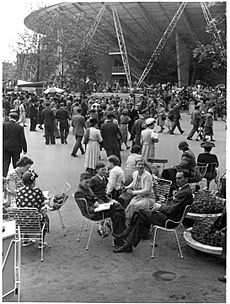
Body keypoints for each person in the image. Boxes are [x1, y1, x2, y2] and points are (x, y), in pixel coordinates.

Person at [113, 170, 193, 253]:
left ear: (186, 179)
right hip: (168, 216)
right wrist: (160, 206)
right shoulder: (185, 190)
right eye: (176, 178)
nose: (177, 180)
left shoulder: (184, 193)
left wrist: (159, 206)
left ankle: (126, 234)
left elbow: (171, 210)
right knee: (141, 217)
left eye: (180, 178)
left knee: (140, 212)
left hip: (169, 220)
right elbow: (172, 207)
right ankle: (128, 243)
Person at [74, 172, 126, 246]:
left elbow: (93, 197)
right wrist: (95, 205)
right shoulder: (79, 192)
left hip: (98, 208)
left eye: (89, 182)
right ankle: (121, 235)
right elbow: (85, 209)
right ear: (81, 180)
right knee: (118, 210)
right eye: (86, 182)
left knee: (118, 212)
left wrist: (98, 202)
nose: (89, 184)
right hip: (93, 213)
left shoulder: (85, 188)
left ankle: (120, 235)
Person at [16, 170, 49, 248]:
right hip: (35, 220)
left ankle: (26, 240)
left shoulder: (19, 191)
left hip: (22, 221)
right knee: (45, 217)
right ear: (33, 181)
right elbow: (41, 203)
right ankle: (41, 242)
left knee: (25, 213)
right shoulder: (36, 191)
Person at [124, 157, 156, 226]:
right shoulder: (135, 173)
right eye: (139, 164)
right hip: (139, 197)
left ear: (144, 165)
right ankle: (129, 222)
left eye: (142, 164)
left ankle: (136, 224)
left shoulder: (147, 175)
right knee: (131, 205)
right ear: (136, 165)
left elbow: (147, 190)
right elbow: (134, 183)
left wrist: (133, 192)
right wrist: (127, 187)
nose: (140, 166)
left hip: (148, 198)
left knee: (136, 206)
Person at [3, 112, 27, 177]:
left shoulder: (4, 125)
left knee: (5, 163)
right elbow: (22, 139)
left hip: (5, 147)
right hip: (16, 149)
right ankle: (16, 178)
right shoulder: (19, 127)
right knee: (16, 164)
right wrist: (25, 149)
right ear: (16, 118)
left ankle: (3, 177)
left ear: (10, 117)